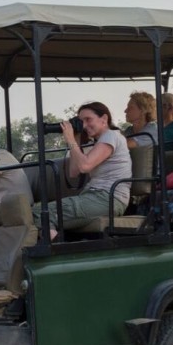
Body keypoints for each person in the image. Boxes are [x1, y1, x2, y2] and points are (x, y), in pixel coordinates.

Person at [33, 102, 132, 241]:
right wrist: (77, 138)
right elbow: (74, 172)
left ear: (104, 118)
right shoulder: (99, 141)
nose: (84, 125)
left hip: (108, 198)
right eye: (81, 121)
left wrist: (70, 139)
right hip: (96, 197)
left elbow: (85, 166)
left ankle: (60, 251)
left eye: (88, 119)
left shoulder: (111, 136)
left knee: (40, 213)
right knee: (39, 212)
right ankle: (57, 244)